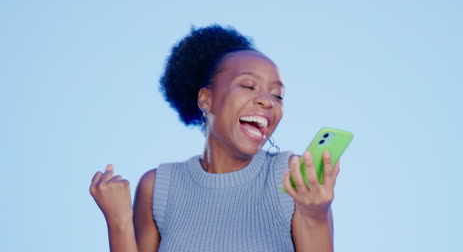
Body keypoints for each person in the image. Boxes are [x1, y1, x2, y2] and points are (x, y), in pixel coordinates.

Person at [89, 24, 340, 252]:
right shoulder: (158, 188)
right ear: (205, 100)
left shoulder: (292, 177)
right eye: (249, 86)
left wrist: (315, 215)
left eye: (277, 95)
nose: (267, 101)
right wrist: (118, 221)